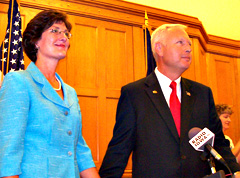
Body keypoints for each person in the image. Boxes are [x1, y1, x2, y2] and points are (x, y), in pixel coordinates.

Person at [99, 24, 240, 178]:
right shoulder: (134, 94)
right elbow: (119, 149)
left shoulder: (202, 93)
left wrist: (234, 171)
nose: (188, 49)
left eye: (189, 44)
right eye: (180, 43)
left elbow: (218, 141)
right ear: (159, 48)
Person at [0, 10, 100, 178]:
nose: (63, 37)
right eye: (55, 30)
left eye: (66, 33)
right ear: (35, 40)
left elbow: (79, 149)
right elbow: (9, 150)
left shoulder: (70, 92)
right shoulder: (18, 82)